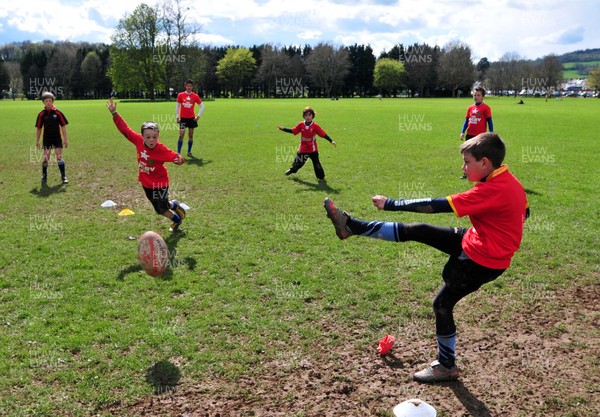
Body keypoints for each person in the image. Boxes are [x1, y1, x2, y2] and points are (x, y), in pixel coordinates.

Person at [323, 132, 529, 383]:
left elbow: (436, 205)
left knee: (442, 305)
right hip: (477, 240)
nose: (463, 167)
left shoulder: (491, 191)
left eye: (467, 162)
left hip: (483, 260)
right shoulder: (508, 179)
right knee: (417, 230)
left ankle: (446, 365)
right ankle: (352, 227)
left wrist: (391, 203)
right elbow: (524, 211)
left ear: (485, 163)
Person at [107, 98, 187, 232]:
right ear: (142, 136)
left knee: (160, 209)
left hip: (160, 183)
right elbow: (125, 130)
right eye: (148, 137)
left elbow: (175, 156)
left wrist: (180, 160)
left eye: (154, 137)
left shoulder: (160, 149)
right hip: (146, 183)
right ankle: (175, 205)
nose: (151, 140)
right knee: (161, 205)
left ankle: (177, 220)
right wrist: (115, 113)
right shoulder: (137, 140)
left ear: (158, 136)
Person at [277, 106, 336, 182]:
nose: (308, 117)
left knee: (316, 163)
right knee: (298, 162)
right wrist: (284, 129)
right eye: (306, 115)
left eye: (309, 115)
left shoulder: (315, 126)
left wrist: (331, 141)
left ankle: (321, 177)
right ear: (304, 116)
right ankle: (292, 170)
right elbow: (294, 131)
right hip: (303, 148)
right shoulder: (301, 124)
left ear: (312, 116)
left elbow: (323, 134)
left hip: (313, 149)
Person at [35, 92, 69, 184]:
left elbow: (63, 126)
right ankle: (44, 175)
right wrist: (37, 141)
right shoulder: (41, 114)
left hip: (57, 138)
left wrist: (65, 139)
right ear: (43, 102)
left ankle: (63, 176)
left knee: (59, 156)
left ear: (52, 101)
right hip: (47, 138)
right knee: (46, 157)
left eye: (50, 101)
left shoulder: (58, 113)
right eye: (46, 101)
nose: (48, 103)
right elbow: (39, 128)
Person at [459, 86, 493, 178]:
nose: (476, 97)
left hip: (480, 136)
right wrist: (462, 132)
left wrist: (491, 133)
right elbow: (466, 121)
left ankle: (483, 173)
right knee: (467, 154)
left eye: (478, 95)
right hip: (469, 134)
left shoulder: (486, 108)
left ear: (482, 96)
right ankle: (466, 173)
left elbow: (489, 121)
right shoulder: (470, 108)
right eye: (474, 95)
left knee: (480, 155)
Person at [176, 80, 204, 158]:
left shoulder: (195, 96)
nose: (189, 87)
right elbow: (177, 106)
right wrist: (177, 117)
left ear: (192, 87)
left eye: (190, 86)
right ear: (185, 86)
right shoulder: (180, 95)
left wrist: (198, 117)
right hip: (183, 119)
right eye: (187, 85)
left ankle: (189, 152)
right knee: (181, 135)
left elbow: (202, 107)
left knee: (190, 136)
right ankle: (178, 153)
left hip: (191, 119)